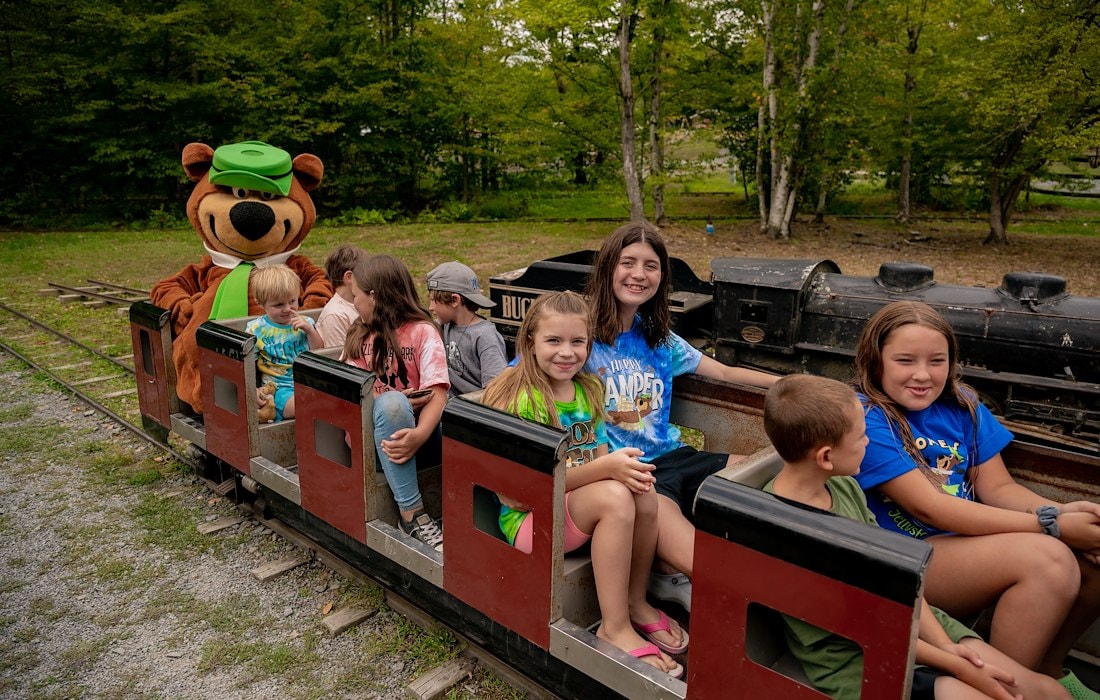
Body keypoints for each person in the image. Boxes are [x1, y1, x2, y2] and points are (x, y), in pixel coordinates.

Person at [763, 373, 1070, 700]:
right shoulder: (792, 532)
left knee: (1047, 692)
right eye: (861, 438)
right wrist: (955, 664)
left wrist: (946, 645)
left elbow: (897, 574)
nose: (869, 443)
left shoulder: (842, 486)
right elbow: (867, 629)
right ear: (825, 457)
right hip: (857, 656)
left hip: (910, 621)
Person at [853, 300, 1100, 699]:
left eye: (937, 361)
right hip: (907, 555)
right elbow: (930, 507)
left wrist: (1065, 515)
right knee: (1048, 558)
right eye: (904, 360)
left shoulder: (962, 404)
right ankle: (1004, 685)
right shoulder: (868, 415)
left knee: (1092, 553)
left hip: (966, 545)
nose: (922, 374)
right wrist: (1052, 524)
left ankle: (1047, 671)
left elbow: (999, 490)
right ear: (874, 360)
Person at [482, 291, 687, 678]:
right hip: (531, 522)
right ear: (530, 341)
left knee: (643, 491)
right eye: (553, 341)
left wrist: (613, 468)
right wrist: (606, 470)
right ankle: (614, 628)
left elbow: (598, 456)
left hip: (573, 508)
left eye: (577, 342)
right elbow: (522, 493)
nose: (566, 352)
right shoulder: (524, 400)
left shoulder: (588, 389)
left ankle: (635, 600)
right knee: (613, 495)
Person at [582, 221, 777, 610]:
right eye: (628, 262)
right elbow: (525, 378)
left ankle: (669, 566)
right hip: (635, 475)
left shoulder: (657, 336)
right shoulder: (580, 336)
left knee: (773, 479)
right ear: (607, 268)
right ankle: (686, 576)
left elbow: (723, 373)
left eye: (650, 266)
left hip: (677, 456)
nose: (639, 274)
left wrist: (792, 384)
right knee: (709, 565)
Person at [343, 254, 449, 552]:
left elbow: (437, 392)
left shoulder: (422, 332)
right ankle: (412, 514)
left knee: (451, 417)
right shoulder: (359, 334)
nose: (354, 303)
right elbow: (349, 390)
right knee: (392, 404)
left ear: (374, 298)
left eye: (357, 297)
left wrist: (418, 435)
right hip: (374, 446)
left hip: (421, 440)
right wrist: (386, 401)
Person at [245, 264, 324, 421]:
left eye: (292, 301)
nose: (288, 309)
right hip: (279, 389)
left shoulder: (305, 322)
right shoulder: (256, 329)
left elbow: (319, 351)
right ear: (260, 303)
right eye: (279, 305)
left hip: (308, 384)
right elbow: (246, 364)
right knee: (309, 406)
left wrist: (310, 331)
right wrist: (252, 389)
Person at [426, 260, 507, 396]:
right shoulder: (444, 325)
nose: (430, 307)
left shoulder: (485, 337)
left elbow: (496, 391)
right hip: (449, 406)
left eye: (433, 300)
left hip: (474, 410)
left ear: (454, 300)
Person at [316, 244, 369, 349]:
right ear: (349, 277)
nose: (371, 278)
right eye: (366, 274)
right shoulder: (335, 315)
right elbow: (339, 358)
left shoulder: (364, 302)